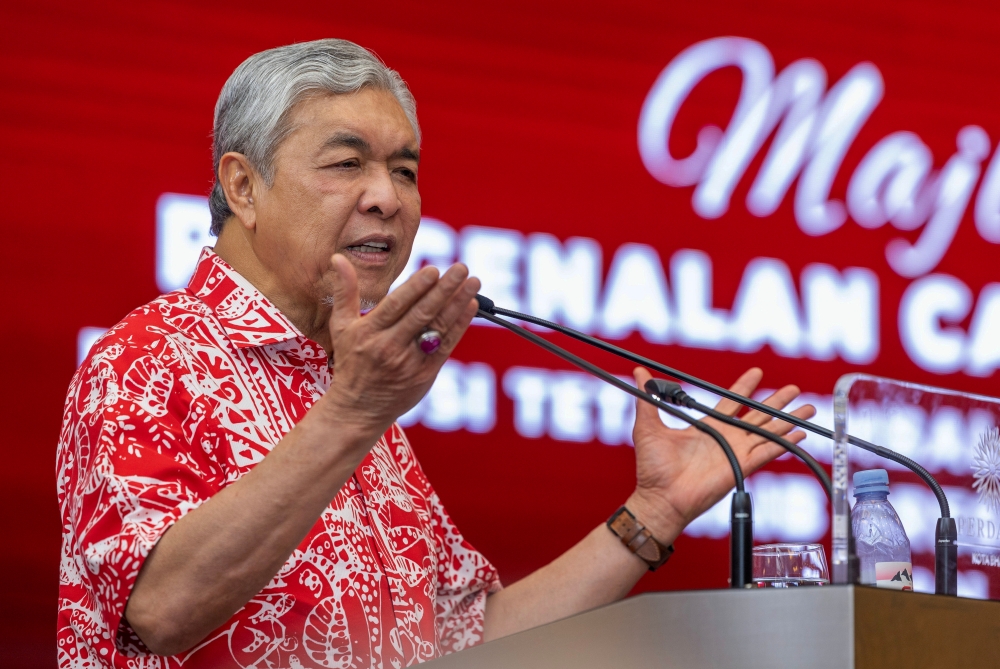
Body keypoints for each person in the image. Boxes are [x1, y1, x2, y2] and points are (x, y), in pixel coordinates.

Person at [56, 38, 815, 669]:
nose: (389, 196)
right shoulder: (148, 360)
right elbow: (160, 607)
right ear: (242, 186)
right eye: (348, 163)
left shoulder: (355, 392)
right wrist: (353, 413)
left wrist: (651, 512)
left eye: (406, 170)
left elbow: (468, 641)